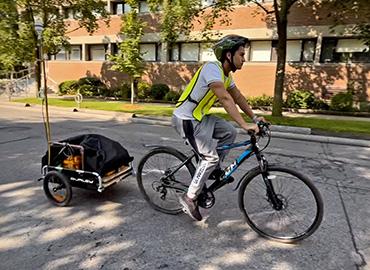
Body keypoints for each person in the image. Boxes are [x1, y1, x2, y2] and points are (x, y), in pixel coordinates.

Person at [172, 34, 265, 221]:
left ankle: (212, 169)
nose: (244, 59)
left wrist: (255, 117)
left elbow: (237, 97)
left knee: (229, 132)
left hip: (201, 118)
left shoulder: (225, 75)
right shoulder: (212, 69)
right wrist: (245, 124)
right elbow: (225, 99)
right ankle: (189, 197)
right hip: (186, 119)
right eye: (241, 55)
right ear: (229, 56)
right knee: (209, 157)